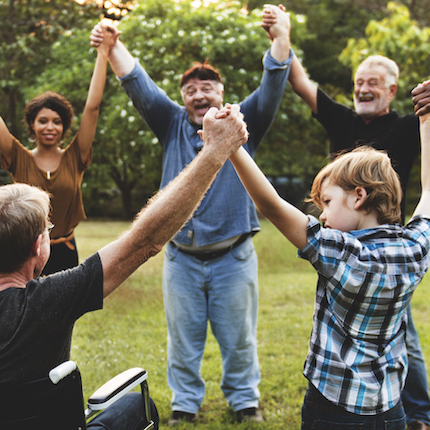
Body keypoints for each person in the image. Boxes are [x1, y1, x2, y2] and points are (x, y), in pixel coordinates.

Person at [90, 4, 293, 424]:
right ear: (183, 98)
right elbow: (136, 82)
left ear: (221, 93)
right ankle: (185, 404)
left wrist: (281, 36)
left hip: (233, 257)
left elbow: (273, 82)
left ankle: (244, 402)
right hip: (181, 258)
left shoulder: (243, 122)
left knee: (239, 340)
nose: (199, 94)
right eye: (191, 90)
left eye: (208, 87)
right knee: (183, 341)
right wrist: (113, 44)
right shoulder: (170, 123)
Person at [0, 104, 249, 429]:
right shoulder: (50, 300)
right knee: (139, 407)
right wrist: (214, 152)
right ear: (38, 246)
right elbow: (145, 241)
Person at [264, 7, 430, 427]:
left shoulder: (407, 126)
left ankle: (421, 412)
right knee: (389, 333)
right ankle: (401, 411)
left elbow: (272, 207)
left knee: (400, 338)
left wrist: (427, 117)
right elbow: (299, 82)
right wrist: (281, 36)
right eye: (358, 82)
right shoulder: (343, 119)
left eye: (372, 82)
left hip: (377, 244)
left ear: (392, 90)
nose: (363, 88)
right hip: (388, 251)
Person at [223, 91, 430, 427]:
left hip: (332, 409)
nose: (323, 216)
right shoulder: (414, 248)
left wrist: (233, 147)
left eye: (328, 202)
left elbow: (271, 205)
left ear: (358, 197)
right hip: (391, 409)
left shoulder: (339, 250)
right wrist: (426, 119)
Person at [0, 24, 119, 276]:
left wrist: (103, 52)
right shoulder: (17, 157)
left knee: (64, 317)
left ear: (64, 127)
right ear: (32, 125)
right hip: (21, 252)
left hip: (64, 250)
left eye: (57, 121)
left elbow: (92, 108)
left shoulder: (76, 157)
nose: (49, 127)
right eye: (43, 121)